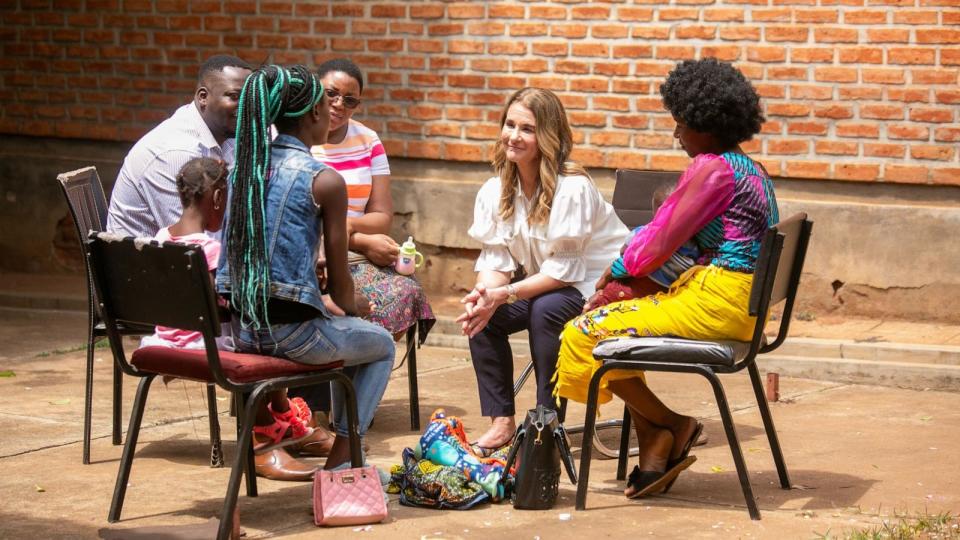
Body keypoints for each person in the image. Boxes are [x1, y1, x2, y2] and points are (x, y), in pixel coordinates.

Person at [554, 58, 779, 499]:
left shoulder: (712, 169)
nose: (676, 135)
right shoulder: (749, 168)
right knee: (620, 321)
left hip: (719, 302)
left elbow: (658, 241)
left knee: (583, 333)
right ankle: (658, 437)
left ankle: (673, 426)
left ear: (705, 123)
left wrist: (614, 271)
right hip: (738, 305)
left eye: (681, 125)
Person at [216, 65, 395, 475]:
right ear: (314, 114)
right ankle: (341, 462)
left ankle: (336, 452)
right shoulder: (324, 180)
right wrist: (357, 304)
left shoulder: (244, 169)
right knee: (381, 344)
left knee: (345, 329)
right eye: (324, 104)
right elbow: (344, 290)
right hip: (293, 337)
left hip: (243, 331)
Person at [456, 88, 628, 453]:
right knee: (483, 316)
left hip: (599, 288)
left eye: (527, 129)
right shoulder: (495, 189)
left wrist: (506, 293)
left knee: (545, 309)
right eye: (510, 124)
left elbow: (565, 272)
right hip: (551, 285)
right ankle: (501, 422)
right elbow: (496, 260)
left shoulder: (573, 188)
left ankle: (545, 423)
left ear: (547, 137)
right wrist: (485, 295)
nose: (513, 136)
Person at [310, 58, 435, 342]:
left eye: (350, 100)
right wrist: (362, 238)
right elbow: (299, 217)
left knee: (405, 291)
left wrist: (348, 230)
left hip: (353, 255)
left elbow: (381, 216)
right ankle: (335, 376)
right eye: (331, 93)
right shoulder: (292, 135)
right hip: (309, 253)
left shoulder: (368, 140)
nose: (339, 104)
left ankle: (360, 376)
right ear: (314, 90)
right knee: (335, 304)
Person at [106, 54, 252, 237]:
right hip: (148, 262)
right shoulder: (176, 153)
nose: (246, 106)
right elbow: (191, 244)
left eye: (249, 98)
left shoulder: (226, 138)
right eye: (234, 96)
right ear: (203, 97)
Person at [139, 157, 228, 350]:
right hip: (201, 346)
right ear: (218, 198)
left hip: (160, 341)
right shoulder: (210, 249)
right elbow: (213, 309)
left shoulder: (160, 238)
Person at [581, 184, 699, 313]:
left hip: (629, 290)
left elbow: (624, 254)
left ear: (656, 212)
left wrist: (602, 282)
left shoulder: (644, 233)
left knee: (598, 302)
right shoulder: (694, 242)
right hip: (665, 296)